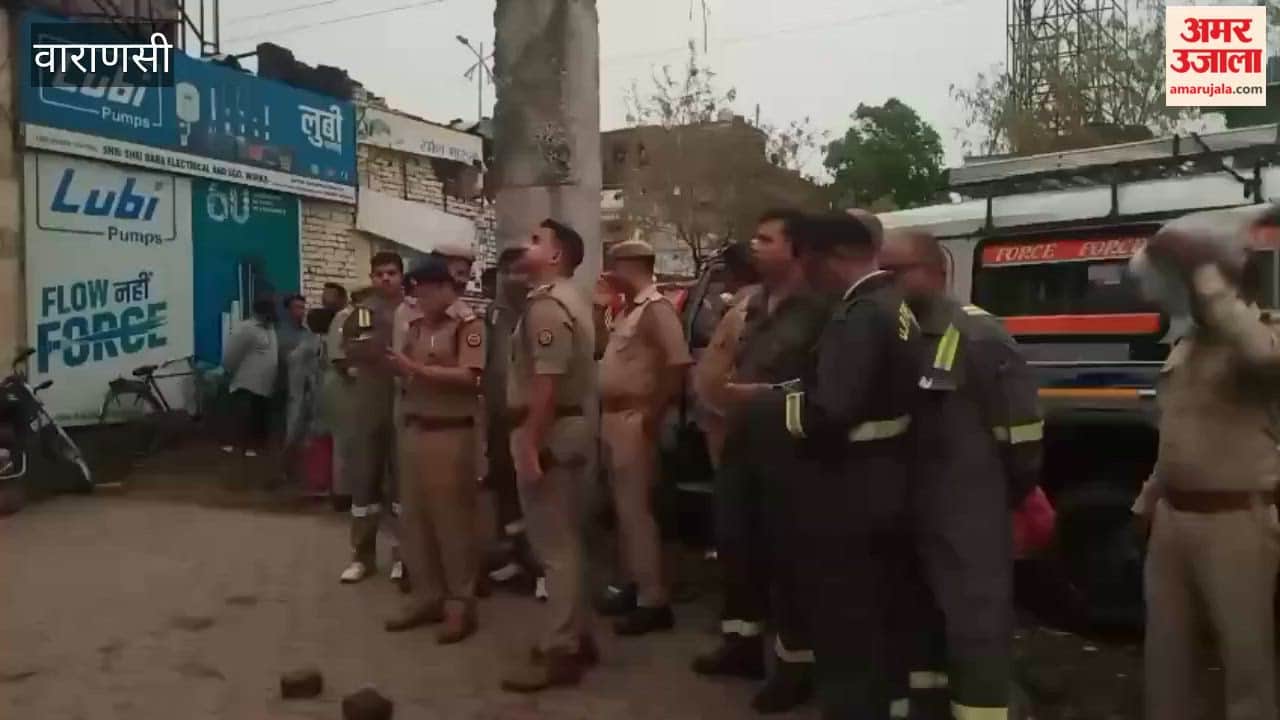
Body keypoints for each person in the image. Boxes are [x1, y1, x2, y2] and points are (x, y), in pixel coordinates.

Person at [880, 230, 1044, 720]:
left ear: (936, 271)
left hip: (970, 510)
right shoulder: (893, 333)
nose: (885, 282)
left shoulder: (979, 335)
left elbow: (1023, 432)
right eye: (880, 271)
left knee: (977, 626)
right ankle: (929, 707)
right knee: (917, 620)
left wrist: (1010, 494)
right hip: (911, 507)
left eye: (895, 272)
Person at [1132, 205, 1280, 720]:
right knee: (1166, 660)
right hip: (1173, 519)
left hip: (1238, 521)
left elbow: (1263, 357)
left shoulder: (1263, 334)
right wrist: (1148, 499)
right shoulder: (1187, 345)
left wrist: (1204, 270)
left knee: (1248, 661)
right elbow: (1176, 432)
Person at [783, 212, 927, 719]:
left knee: (848, 622)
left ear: (835, 257)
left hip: (853, 490)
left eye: (811, 262)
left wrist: (775, 409)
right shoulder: (893, 303)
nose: (808, 275)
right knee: (883, 618)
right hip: (889, 479)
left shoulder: (860, 314)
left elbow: (831, 410)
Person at [692, 210, 832, 714]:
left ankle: (796, 667)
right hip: (741, 443)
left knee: (787, 561)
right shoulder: (755, 305)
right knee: (736, 545)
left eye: (766, 238)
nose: (754, 245)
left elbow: (825, 389)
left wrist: (763, 397)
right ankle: (742, 645)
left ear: (796, 251)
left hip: (790, 452)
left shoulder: (821, 309)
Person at [500, 219, 599, 693]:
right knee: (570, 543)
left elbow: (547, 380)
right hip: (569, 426)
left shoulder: (547, 306)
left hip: (552, 428)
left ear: (557, 257)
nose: (527, 244)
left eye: (537, 240)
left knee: (554, 548)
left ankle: (561, 650)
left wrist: (531, 444)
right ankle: (578, 636)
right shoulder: (574, 300)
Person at [383, 257, 486, 644]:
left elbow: (470, 376)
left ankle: (461, 602)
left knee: (452, 523)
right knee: (416, 520)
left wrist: (417, 370)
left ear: (445, 287)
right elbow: (407, 370)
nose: (419, 299)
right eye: (416, 292)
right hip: (414, 429)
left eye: (425, 291)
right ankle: (427, 595)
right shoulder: (415, 326)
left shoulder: (468, 325)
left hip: (449, 433)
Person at [594, 239, 693, 637]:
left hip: (635, 415)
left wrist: (653, 415)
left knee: (637, 511)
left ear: (628, 264)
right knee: (623, 509)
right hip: (615, 416)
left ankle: (654, 600)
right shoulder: (627, 310)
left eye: (613, 263)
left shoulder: (656, 309)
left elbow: (677, 362)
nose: (608, 271)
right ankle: (636, 585)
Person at [338, 252, 407, 585]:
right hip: (370, 404)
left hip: (405, 405)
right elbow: (348, 350)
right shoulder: (362, 312)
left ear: (402, 276)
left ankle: (402, 556)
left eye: (391, 273)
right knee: (364, 482)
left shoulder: (414, 310)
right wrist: (373, 351)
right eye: (379, 273)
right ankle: (361, 557)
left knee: (403, 486)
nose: (385, 279)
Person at [483, 249, 545, 597]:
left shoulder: (540, 311)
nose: (518, 280)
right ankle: (517, 557)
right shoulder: (493, 314)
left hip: (528, 418)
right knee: (505, 491)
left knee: (535, 496)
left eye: (524, 273)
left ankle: (542, 571)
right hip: (498, 417)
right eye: (511, 273)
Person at [691, 241, 761, 469]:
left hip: (733, 420)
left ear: (733, 272)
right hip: (725, 416)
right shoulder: (742, 305)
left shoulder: (749, 309)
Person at [326, 287, 371, 512]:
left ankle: (357, 492)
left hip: (362, 388)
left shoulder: (366, 319)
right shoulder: (344, 318)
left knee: (359, 442)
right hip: (344, 385)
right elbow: (338, 357)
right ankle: (341, 495)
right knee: (345, 440)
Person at [286, 308, 338, 496]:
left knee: (317, 439)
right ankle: (334, 482)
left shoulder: (309, 344)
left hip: (316, 396)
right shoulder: (337, 342)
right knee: (333, 440)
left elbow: (296, 370)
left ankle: (318, 483)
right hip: (337, 395)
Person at [222, 298, 280, 458]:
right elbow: (231, 354)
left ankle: (254, 447)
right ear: (258, 313)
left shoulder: (270, 328)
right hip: (247, 382)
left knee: (258, 418)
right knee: (244, 417)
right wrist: (229, 371)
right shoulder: (246, 329)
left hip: (265, 384)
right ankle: (240, 447)